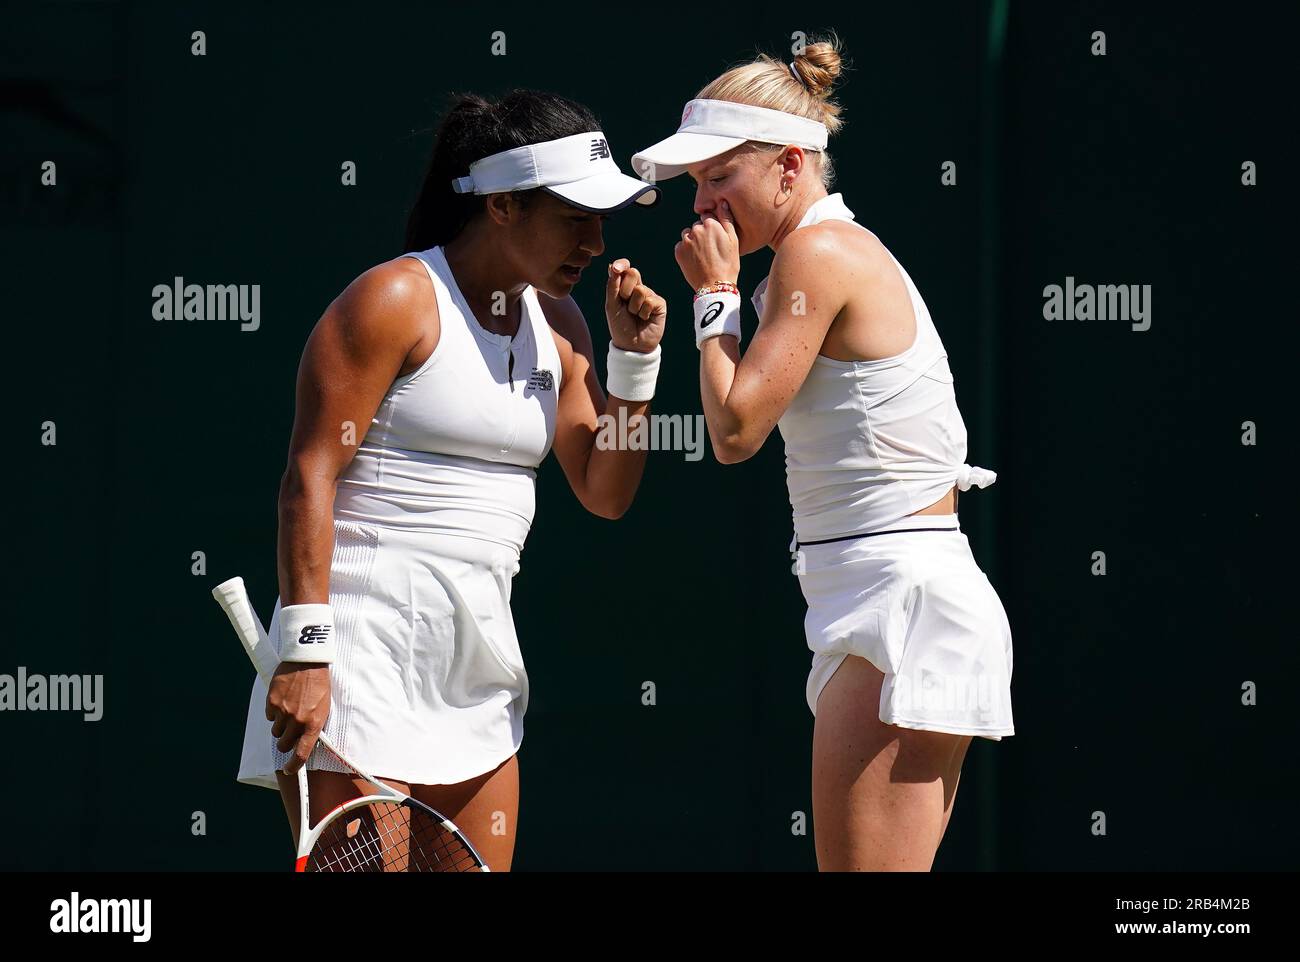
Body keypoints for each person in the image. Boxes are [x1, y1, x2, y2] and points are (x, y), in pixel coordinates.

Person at [237, 89, 667, 871]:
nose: (596, 243)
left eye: (601, 221)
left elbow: (606, 492)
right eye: (575, 218)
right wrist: (304, 653)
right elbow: (309, 475)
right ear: (501, 206)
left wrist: (634, 368)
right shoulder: (395, 300)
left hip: (479, 673)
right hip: (358, 660)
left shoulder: (563, 326)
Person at [632, 37, 1014, 871]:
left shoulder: (820, 252)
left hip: (899, 600)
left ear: (790, 167)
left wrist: (714, 297)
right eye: (695, 182)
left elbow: (734, 431)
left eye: (719, 175)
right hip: (878, 592)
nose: (702, 203)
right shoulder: (808, 257)